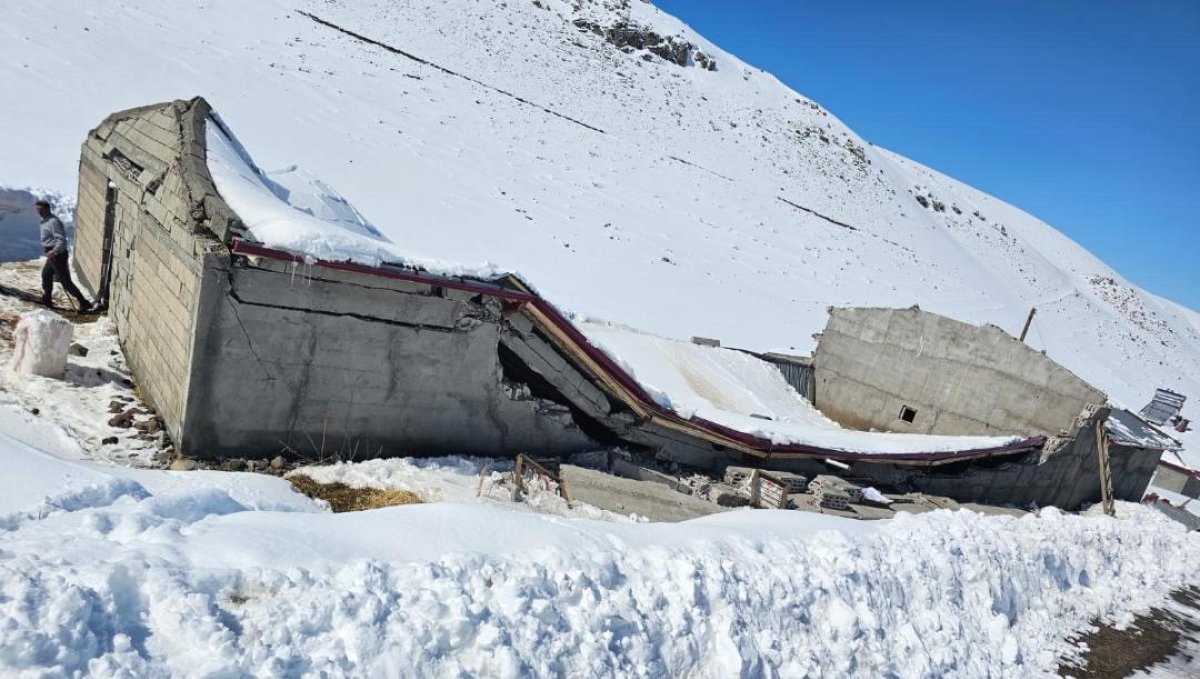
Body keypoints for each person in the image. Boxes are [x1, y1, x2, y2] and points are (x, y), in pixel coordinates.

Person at [35, 199, 94, 311]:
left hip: (57, 255)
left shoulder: (53, 222)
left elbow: (61, 240)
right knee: (46, 275)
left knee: (65, 282)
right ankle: (46, 299)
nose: (39, 212)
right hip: (51, 254)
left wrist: (54, 251)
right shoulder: (45, 221)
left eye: (41, 210)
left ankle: (84, 303)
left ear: (47, 209)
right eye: (37, 210)